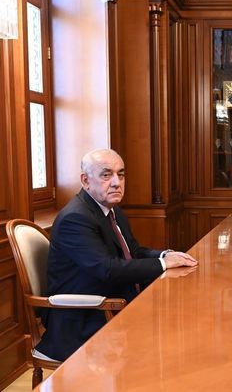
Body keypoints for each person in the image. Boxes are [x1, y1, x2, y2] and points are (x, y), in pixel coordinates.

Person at [37, 149, 198, 361]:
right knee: (168, 342)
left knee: (182, 323)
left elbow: (133, 252)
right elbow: (108, 269)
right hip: (85, 318)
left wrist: (165, 255)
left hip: (114, 303)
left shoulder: (111, 210)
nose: (116, 183)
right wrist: (164, 264)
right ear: (85, 180)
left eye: (120, 175)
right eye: (106, 175)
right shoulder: (75, 218)